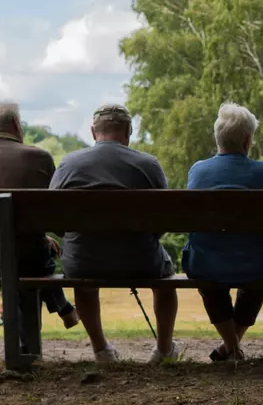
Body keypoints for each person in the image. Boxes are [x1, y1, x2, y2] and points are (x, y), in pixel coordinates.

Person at [49, 103, 180, 365]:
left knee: (82, 279)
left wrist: (74, 240)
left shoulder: (68, 164)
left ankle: (102, 351)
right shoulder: (148, 165)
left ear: (93, 131)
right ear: (128, 130)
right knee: (165, 278)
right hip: (141, 260)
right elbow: (162, 220)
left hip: (84, 260)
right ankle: (164, 350)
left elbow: (53, 217)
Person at [0, 101, 79, 335]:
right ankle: (60, 311)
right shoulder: (41, 158)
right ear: (17, 125)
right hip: (30, 257)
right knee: (38, 257)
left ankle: (28, 347)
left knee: (30, 254)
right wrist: (46, 237)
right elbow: (53, 214)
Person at [182, 103, 263, 362]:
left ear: (218, 139)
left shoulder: (198, 170)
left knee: (210, 279)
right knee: (258, 278)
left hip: (207, 263)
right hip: (259, 264)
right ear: (248, 140)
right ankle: (234, 347)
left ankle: (231, 347)